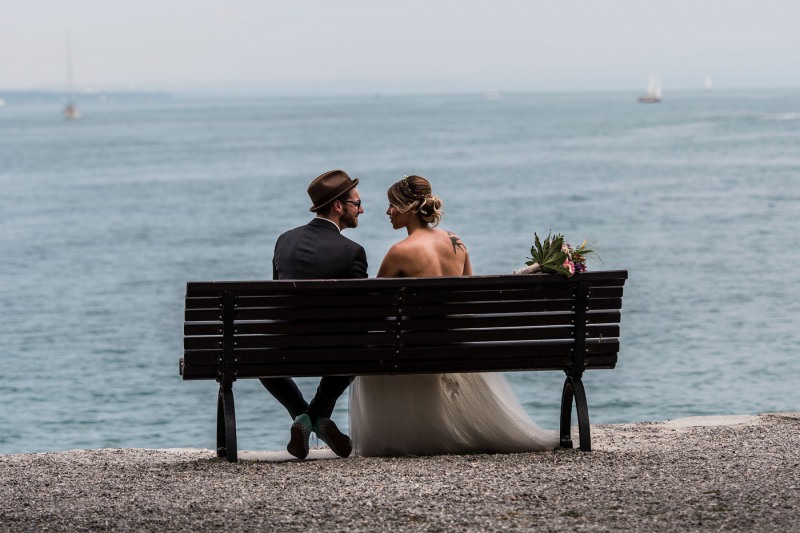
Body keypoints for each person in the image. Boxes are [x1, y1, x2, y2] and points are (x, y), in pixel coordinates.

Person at [349, 175, 560, 456]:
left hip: (416, 352)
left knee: (375, 360)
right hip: (456, 349)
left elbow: (376, 309)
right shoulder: (456, 242)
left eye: (392, 206)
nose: (388, 212)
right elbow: (468, 297)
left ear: (408, 207)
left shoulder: (399, 252)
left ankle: (405, 438)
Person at [262, 169, 367, 460]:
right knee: (355, 349)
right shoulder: (352, 252)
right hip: (332, 352)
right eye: (357, 203)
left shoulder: (284, 240)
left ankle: (302, 417)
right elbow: (364, 313)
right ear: (338, 205)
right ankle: (316, 419)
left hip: (282, 350)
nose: (362, 209)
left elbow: (277, 296)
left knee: (256, 358)